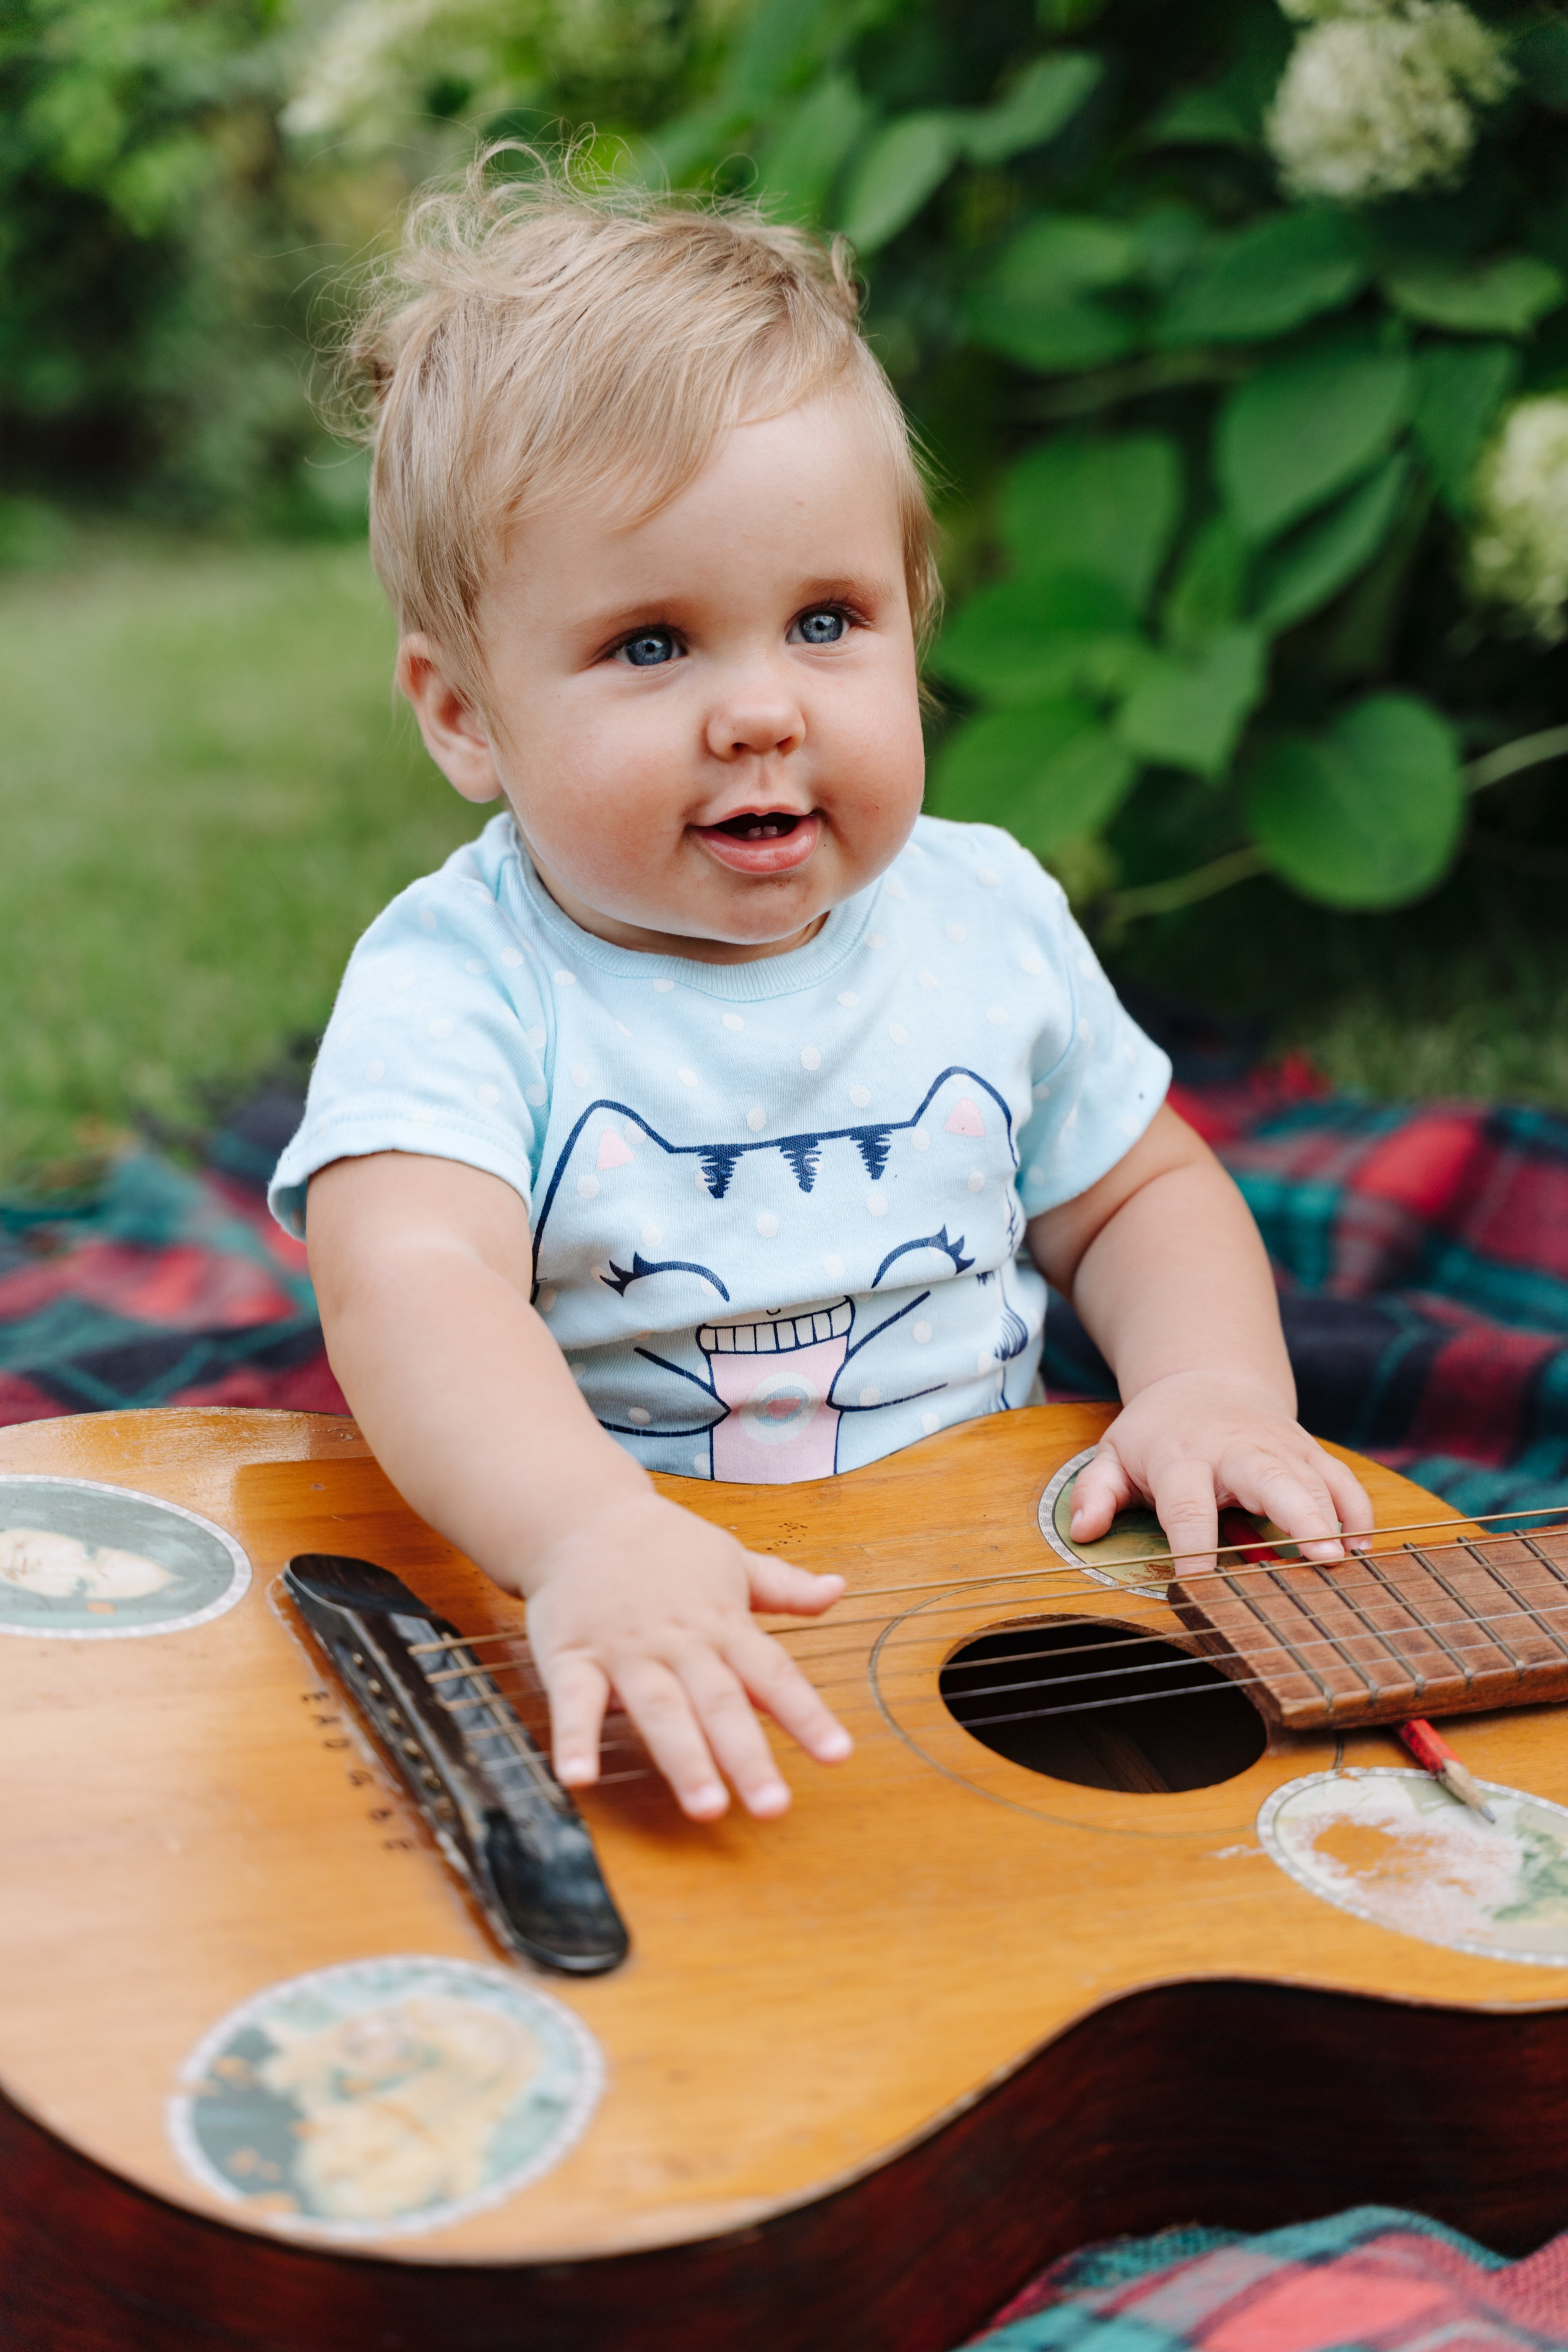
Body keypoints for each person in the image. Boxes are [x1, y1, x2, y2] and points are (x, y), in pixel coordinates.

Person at [270, 159, 1371, 1828]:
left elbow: (1137, 1190)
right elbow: (409, 1283)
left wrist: (1209, 1385)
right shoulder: (466, 981)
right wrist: (585, 1536)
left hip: (973, 1592)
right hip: (631, 1623)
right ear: (464, 718)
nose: (761, 710)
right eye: (653, 644)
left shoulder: (981, 913)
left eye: (827, 620)